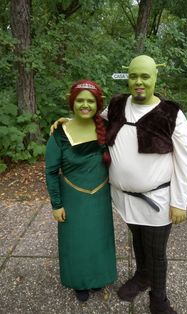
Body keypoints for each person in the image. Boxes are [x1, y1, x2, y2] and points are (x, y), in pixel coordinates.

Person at [51, 55, 187, 313]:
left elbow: (185, 160)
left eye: (145, 76)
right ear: (128, 77)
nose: (139, 82)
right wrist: (66, 122)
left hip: (157, 200)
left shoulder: (171, 113)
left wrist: (179, 202)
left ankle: (158, 298)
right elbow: (91, 118)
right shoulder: (117, 105)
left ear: (155, 78)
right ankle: (141, 276)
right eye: (134, 76)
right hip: (124, 198)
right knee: (138, 241)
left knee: (157, 251)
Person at [45, 80, 117, 302]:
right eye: (80, 100)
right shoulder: (60, 134)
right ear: (72, 103)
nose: (85, 105)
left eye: (90, 101)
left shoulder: (106, 128)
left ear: (98, 104)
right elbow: (50, 171)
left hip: (100, 198)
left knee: (98, 239)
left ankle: (98, 277)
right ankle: (79, 280)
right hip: (73, 198)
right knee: (77, 241)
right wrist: (56, 205)